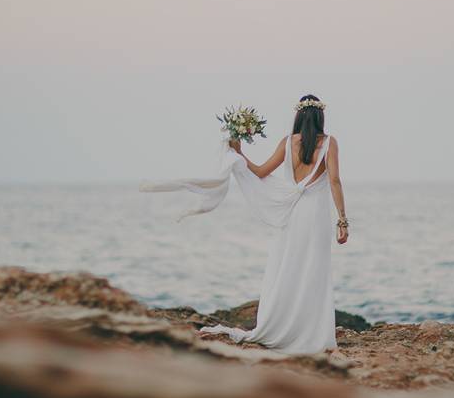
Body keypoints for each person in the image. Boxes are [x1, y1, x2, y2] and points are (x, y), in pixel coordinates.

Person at [140, 94, 348, 355]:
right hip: (315, 215)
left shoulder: (287, 143)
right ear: (321, 117)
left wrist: (240, 155)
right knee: (313, 270)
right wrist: (343, 220)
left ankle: (283, 326)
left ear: (299, 116)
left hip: (292, 215)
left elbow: (260, 172)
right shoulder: (330, 143)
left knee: (289, 267)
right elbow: (335, 181)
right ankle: (310, 332)